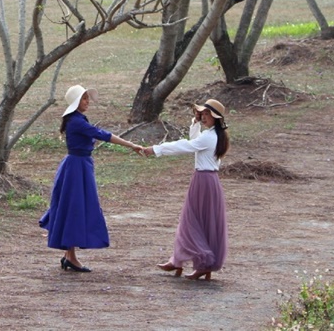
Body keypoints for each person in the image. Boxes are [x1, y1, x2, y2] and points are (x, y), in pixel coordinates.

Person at [39, 84, 143, 272]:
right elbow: (102, 135)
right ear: (76, 102)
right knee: (75, 208)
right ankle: (71, 256)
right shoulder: (76, 121)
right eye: (84, 99)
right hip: (76, 168)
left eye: (87, 98)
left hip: (79, 167)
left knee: (75, 207)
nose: (87, 102)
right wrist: (132, 145)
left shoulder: (76, 119)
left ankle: (69, 255)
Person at [142, 98, 230, 280]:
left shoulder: (210, 137)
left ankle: (188, 262)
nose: (204, 117)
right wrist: (195, 124)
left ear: (216, 118)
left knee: (191, 220)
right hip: (207, 181)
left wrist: (156, 149)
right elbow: (194, 142)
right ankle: (186, 262)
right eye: (202, 113)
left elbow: (187, 146)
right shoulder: (215, 136)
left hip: (204, 181)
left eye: (207, 114)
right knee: (204, 222)